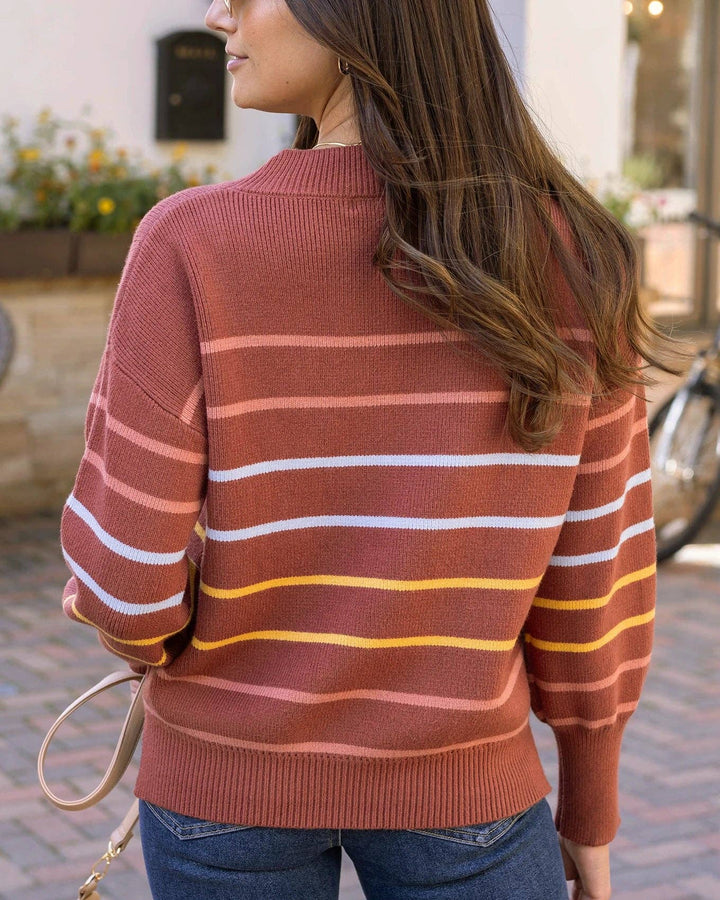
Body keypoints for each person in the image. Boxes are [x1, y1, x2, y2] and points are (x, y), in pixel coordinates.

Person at [58, 1, 680, 898]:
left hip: (224, 787)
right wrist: (590, 804)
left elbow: (126, 585)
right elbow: (598, 580)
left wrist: (169, 627)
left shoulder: (191, 245)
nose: (215, 14)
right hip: (471, 791)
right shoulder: (576, 256)